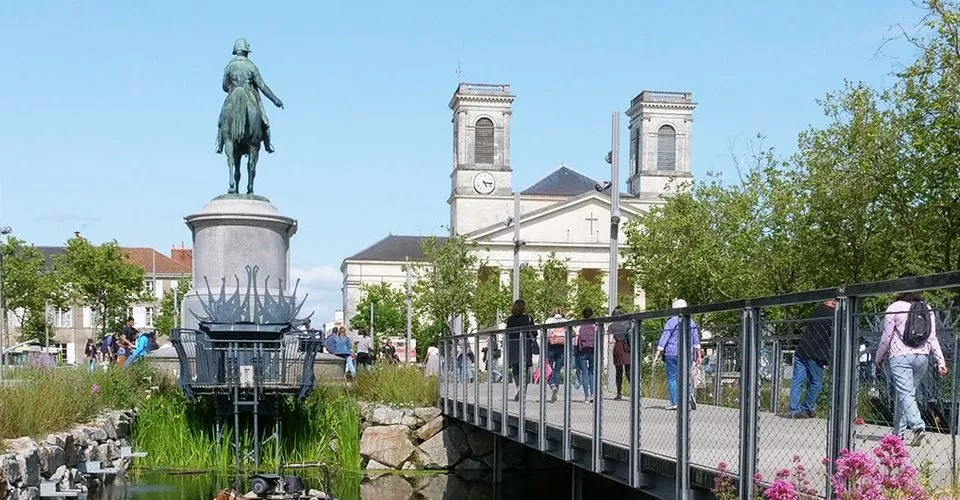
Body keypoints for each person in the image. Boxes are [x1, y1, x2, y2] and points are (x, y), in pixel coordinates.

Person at [875, 280, 947, 446]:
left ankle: (918, 427)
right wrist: (940, 361)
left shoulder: (894, 307)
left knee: (905, 394)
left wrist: (878, 358)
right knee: (906, 394)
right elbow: (932, 337)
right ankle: (897, 435)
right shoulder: (926, 308)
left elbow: (886, 338)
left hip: (899, 357)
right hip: (922, 357)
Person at [217, 38, 283, 154]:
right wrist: (275, 100)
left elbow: (224, 86)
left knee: (222, 118)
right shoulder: (251, 66)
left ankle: (220, 143)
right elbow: (262, 86)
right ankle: (267, 144)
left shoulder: (229, 66)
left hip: (233, 95)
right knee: (264, 120)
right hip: (250, 95)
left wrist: (233, 89)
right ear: (246, 52)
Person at [785, 299, 836, 419]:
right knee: (816, 382)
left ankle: (794, 410)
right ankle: (807, 408)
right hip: (815, 353)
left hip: (802, 349)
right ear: (833, 302)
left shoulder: (817, 310)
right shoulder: (834, 315)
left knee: (797, 381)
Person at [653, 299, 702, 410]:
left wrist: (657, 354)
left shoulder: (670, 322)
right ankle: (688, 394)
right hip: (686, 352)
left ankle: (675, 402)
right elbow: (696, 341)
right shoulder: (691, 322)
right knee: (685, 375)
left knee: (672, 377)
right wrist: (698, 355)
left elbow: (664, 338)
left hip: (671, 353)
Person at [505, 299, 537, 402]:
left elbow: (507, 333)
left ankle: (519, 386)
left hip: (513, 346)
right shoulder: (528, 318)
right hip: (525, 346)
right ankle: (523, 392)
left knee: (515, 369)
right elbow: (534, 333)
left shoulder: (510, 320)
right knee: (525, 369)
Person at [608, 306, 633, 400]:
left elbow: (610, 340)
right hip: (627, 347)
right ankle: (634, 392)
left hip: (618, 347)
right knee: (629, 371)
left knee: (618, 372)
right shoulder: (629, 323)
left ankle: (619, 393)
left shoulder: (612, 326)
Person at [544, 306, 567, 403]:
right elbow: (573, 333)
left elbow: (545, 334)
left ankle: (552, 385)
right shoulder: (566, 321)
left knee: (548, 368)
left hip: (551, 346)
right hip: (562, 347)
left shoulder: (549, 321)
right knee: (557, 370)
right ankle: (556, 391)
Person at [576, 308, 597, 403]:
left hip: (582, 351)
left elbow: (576, 340)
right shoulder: (595, 325)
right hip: (593, 351)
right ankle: (593, 395)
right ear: (591, 315)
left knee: (584, 373)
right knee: (592, 373)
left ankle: (586, 397)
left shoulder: (579, 325)